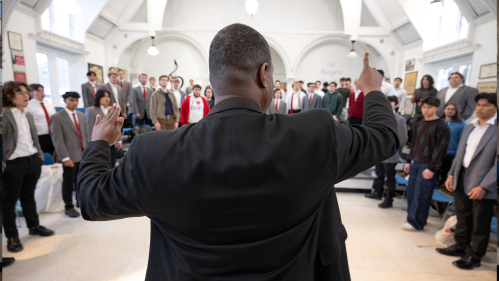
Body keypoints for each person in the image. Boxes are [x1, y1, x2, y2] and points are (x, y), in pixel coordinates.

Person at [77, 23, 398, 280]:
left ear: (213, 83)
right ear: (264, 74)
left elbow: (92, 200)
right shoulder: (315, 134)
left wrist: (99, 143)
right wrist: (371, 88)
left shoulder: (152, 153)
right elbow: (384, 136)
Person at [437, 93, 497, 270]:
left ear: (495, 107)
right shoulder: (469, 127)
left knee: (480, 222)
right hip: (462, 176)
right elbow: (460, 154)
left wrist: (485, 185)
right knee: (463, 216)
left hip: (482, 183)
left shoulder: (495, 129)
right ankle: (460, 246)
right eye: (478, 104)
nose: (480, 108)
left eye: (485, 105)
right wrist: (451, 174)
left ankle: (475, 255)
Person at [2, 81, 55, 253]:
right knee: (8, 202)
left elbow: (34, 137)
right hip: (13, 162)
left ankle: (34, 226)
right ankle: (12, 236)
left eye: (27, 92)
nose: (27, 96)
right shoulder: (4, 114)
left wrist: (39, 155)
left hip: (32, 159)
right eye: (21, 93)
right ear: (9, 96)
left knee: (28, 196)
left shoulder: (28, 114)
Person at [402, 97, 450, 231]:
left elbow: (440, 149)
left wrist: (432, 168)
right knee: (411, 192)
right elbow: (414, 144)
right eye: (424, 107)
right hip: (415, 162)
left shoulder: (441, 125)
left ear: (436, 108)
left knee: (421, 194)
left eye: (429, 107)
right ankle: (411, 217)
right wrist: (408, 161)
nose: (426, 110)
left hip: (428, 165)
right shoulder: (420, 123)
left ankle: (416, 223)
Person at [50, 92, 90, 218]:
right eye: (71, 100)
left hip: (83, 152)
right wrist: (65, 157)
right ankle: (68, 206)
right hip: (69, 155)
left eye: (76, 100)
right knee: (68, 182)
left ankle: (80, 201)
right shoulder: (57, 117)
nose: (74, 103)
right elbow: (57, 139)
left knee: (81, 179)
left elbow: (86, 134)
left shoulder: (81, 115)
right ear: (65, 100)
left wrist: (89, 150)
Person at [365, 96, 408, 208]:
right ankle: (377, 193)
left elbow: (403, 138)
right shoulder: (379, 117)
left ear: (396, 105)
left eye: (391, 103)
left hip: (391, 154)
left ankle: (389, 199)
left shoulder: (400, 119)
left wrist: (394, 150)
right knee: (379, 174)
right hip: (379, 152)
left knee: (389, 177)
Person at [85, 89, 122, 166]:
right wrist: (92, 145)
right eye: (104, 96)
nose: (107, 98)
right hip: (99, 144)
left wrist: (119, 140)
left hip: (112, 142)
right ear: (98, 97)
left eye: (108, 96)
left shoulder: (112, 110)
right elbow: (89, 129)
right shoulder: (91, 110)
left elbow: (117, 125)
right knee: (102, 165)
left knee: (112, 164)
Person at [438, 103, 466, 186]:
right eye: (448, 108)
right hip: (437, 153)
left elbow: (462, 143)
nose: (450, 111)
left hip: (451, 154)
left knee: (445, 176)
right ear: (444, 110)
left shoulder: (462, 124)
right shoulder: (439, 121)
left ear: (456, 111)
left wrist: (457, 157)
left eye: (453, 109)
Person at [27, 84, 56, 153]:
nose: (42, 92)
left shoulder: (49, 105)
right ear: (31, 93)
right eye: (38, 90)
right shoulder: (28, 105)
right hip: (40, 136)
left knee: (55, 158)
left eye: (42, 90)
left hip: (53, 135)